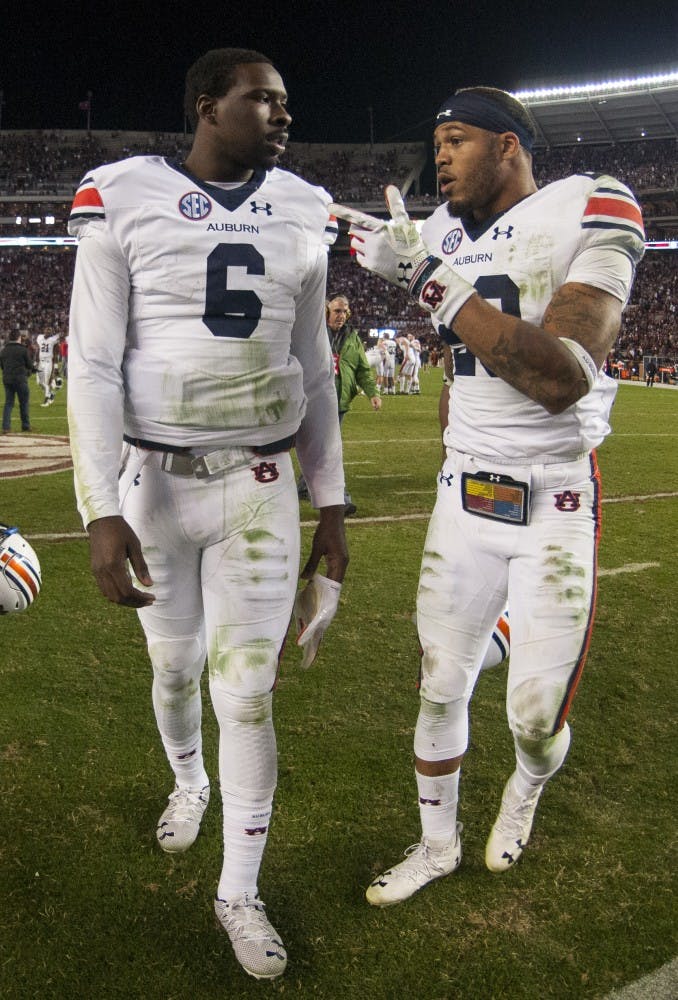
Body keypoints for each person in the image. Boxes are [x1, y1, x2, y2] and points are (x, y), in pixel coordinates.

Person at [67, 47, 349, 980]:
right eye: (262, 100)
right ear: (205, 106)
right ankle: (188, 781)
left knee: (248, 690)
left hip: (261, 489)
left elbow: (313, 371)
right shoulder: (123, 195)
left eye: (285, 102)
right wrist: (98, 506)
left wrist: (334, 508)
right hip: (154, 480)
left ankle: (240, 889)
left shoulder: (305, 207)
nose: (281, 116)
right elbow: (97, 363)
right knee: (174, 664)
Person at [331, 85, 644, 905]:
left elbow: (559, 378)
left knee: (534, 722)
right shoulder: (434, 233)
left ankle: (528, 789)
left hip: (555, 503)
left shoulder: (593, 203)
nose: (440, 154)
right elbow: (458, 366)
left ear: (509, 145)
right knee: (439, 682)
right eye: (436, 140)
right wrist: (451, 447)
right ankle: (436, 845)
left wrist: (430, 282)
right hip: (464, 497)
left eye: (459, 139)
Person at [297, 294, 381, 516]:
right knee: (326, 447)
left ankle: (306, 487)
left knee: (325, 447)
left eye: (344, 312)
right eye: (337, 311)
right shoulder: (314, 332)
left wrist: (373, 392)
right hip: (313, 397)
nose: (341, 316)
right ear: (326, 312)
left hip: (339, 400)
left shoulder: (352, 338)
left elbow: (362, 368)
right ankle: (339, 498)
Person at [1, 330, 33, 433]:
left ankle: (6, 427)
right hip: (20, 379)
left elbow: (2, 366)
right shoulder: (23, 350)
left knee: (8, 403)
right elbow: (29, 365)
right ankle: (25, 426)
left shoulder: (3, 350)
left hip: (7, 379)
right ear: (19, 337)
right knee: (23, 403)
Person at [35, 329, 59, 406]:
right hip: (41, 362)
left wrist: (55, 367)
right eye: (47, 331)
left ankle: (46, 400)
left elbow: (55, 354)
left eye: (49, 332)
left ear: (51, 333)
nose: (48, 333)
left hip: (48, 362)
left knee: (46, 382)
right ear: (44, 331)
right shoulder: (39, 337)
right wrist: (36, 362)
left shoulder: (53, 340)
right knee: (39, 382)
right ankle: (50, 390)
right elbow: (38, 350)